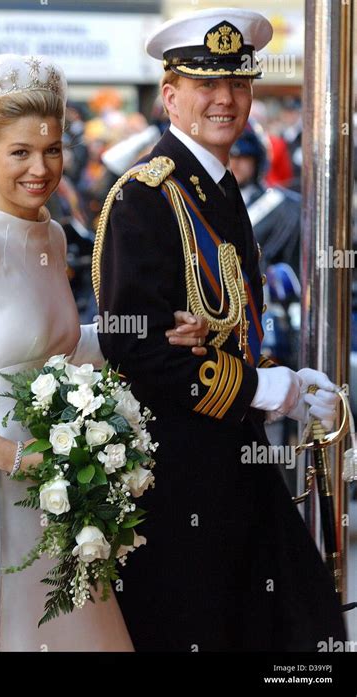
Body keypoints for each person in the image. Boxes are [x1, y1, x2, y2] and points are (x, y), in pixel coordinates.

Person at [0, 54, 208, 652]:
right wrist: (13, 458)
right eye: (20, 153)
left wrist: (155, 333)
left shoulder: (51, 234)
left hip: (48, 497)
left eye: (52, 150)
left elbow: (56, 350)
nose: (41, 169)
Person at [94, 9, 347, 651]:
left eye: (236, 84)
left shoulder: (216, 185)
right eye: (205, 84)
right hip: (178, 479)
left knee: (304, 623)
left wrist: (272, 384)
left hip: (232, 462)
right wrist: (263, 390)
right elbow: (135, 345)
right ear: (170, 95)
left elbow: (227, 321)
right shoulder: (144, 195)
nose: (224, 99)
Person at [230, 119, 301, 275]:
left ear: (257, 160)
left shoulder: (282, 207)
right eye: (228, 156)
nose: (234, 164)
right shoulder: (204, 201)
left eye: (242, 157)